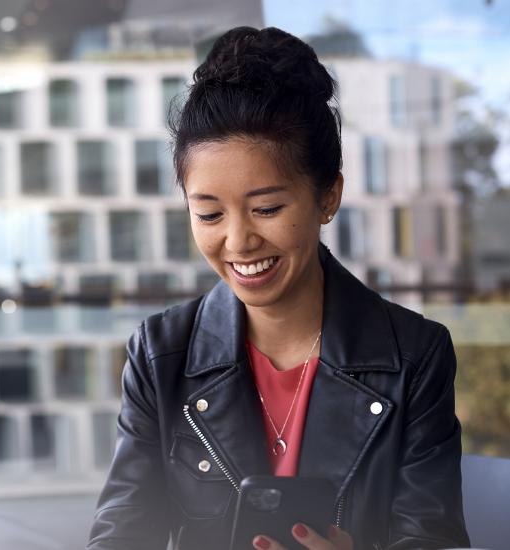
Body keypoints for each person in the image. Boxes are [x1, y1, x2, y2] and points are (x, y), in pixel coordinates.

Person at [87, 26, 470, 550]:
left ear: (328, 195)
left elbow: (434, 539)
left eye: (267, 208)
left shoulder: (415, 358)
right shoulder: (160, 356)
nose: (238, 241)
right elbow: (120, 534)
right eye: (209, 213)